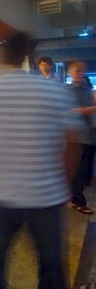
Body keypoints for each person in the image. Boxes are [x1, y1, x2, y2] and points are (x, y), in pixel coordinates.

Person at [0, 31, 84, 289]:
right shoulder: (54, 90)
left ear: (1, 57)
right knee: (51, 268)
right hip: (46, 197)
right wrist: (64, 181)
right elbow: (74, 140)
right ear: (27, 57)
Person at [67, 60, 95, 214]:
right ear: (71, 73)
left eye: (82, 70)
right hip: (76, 135)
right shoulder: (68, 90)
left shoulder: (86, 88)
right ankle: (78, 201)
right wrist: (87, 109)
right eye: (76, 71)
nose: (80, 73)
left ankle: (76, 196)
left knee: (83, 169)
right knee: (78, 169)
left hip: (88, 133)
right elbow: (68, 110)